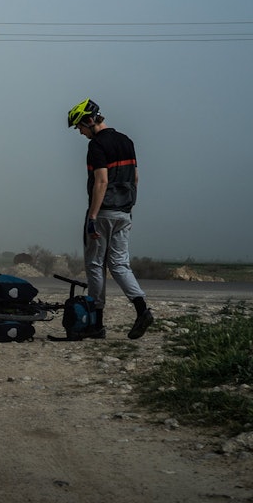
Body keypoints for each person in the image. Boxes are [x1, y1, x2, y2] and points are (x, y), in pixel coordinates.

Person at [67, 98, 154, 340]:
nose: (80, 132)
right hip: (124, 212)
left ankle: (97, 323)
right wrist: (129, 208)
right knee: (119, 264)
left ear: (90, 120)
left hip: (103, 212)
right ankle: (142, 310)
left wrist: (92, 216)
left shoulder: (96, 145)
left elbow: (101, 181)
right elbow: (135, 178)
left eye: (80, 127)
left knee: (95, 265)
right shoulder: (127, 141)